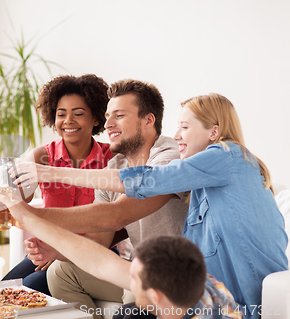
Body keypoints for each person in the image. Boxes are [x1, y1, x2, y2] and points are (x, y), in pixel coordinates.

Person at [18, 93, 289, 319]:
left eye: (184, 126)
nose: (176, 134)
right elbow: (102, 254)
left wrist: (46, 175)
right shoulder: (200, 193)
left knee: (133, 310)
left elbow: (144, 185)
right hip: (206, 293)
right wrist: (42, 229)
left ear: (214, 132)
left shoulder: (228, 156)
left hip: (243, 301)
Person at [14, 79, 189, 319]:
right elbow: (97, 241)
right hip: (137, 269)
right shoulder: (114, 165)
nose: (108, 124)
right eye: (108, 116)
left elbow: (115, 216)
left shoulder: (169, 156)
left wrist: (28, 215)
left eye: (118, 115)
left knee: (130, 308)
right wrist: (57, 251)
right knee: (58, 272)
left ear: (148, 120)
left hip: (173, 275)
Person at [0, 191, 242, 319]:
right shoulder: (207, 286)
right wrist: (28, 217)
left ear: (155, 296)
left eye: (132, 278)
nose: (125, 276)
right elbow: (101, 262)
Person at [2, 74, 114, 296]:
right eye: (61, 114)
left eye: (78, 114)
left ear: (96, 118)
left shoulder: (111, 158)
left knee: (30, 286)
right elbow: (18, 199)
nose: (68, 121)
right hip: (48, 249)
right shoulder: (41, 156)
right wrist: (4, 191)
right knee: (2, 289)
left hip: (93, 253)